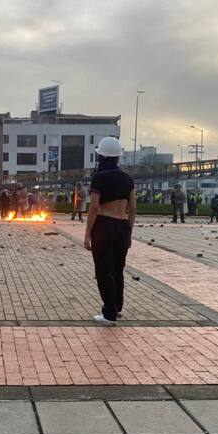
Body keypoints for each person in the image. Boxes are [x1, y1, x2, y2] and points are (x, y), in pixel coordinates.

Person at [84, 137, 135, 326]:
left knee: (104, 271)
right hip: (123, 225)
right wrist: (129, 231)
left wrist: (87, 233)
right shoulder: (127, 178)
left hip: (104, 226)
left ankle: (109, 314)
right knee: (118, 270)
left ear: (102, 157)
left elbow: (94, 207)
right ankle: (117, 307)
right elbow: (133, 208)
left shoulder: (99, 177)